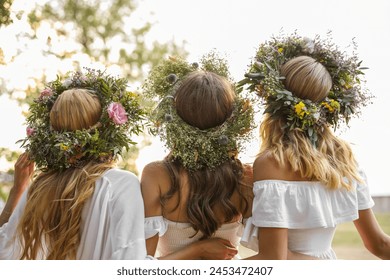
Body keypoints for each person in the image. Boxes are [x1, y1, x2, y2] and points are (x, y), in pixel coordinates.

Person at [239, 34, 390, 259]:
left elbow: (274, 261)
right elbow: (379, 244)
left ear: (274, 100)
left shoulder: (271, 163)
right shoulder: (343, 158)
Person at [0, 69, 147, 259]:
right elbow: (131, 261)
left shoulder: (39, 188)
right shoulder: (123, 184)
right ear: (108, 129)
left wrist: (17, 190)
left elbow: (5, 251)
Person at [141, 54, 255, 259]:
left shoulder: (156, 175)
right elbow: (274, 256)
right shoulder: (245, 177)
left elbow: (143, 267)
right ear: (230, 120)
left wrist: (194, 251)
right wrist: (199, 249)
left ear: (174, 117)